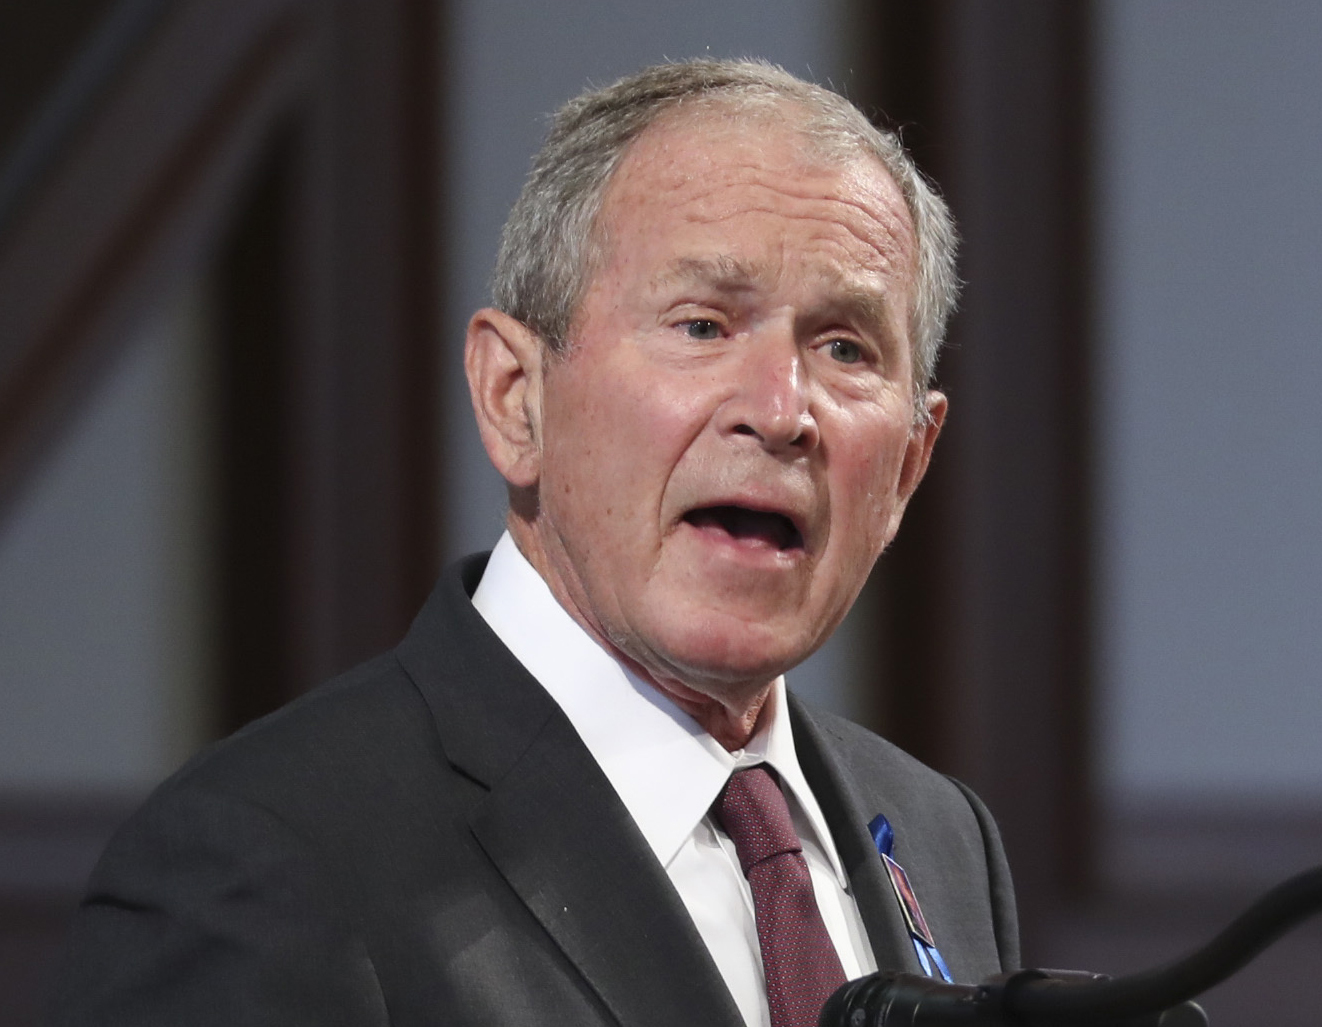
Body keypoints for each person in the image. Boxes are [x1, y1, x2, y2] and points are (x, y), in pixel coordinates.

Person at [49, 59, 1019, 1027]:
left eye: (844, 347)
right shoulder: (266, 860)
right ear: (517, 398)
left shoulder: (941, 840)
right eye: (701, 324)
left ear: (904, 467)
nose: (780, 411)